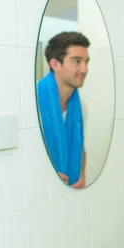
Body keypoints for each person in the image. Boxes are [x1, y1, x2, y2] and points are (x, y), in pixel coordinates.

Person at [37, 31, 89, 189]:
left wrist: (82, 174)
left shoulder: (81, 106)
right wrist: (45, 175)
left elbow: (80, 147)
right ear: (55, 64)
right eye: (76, 61)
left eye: (86, 62)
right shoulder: (31, 101)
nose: (84, 70)